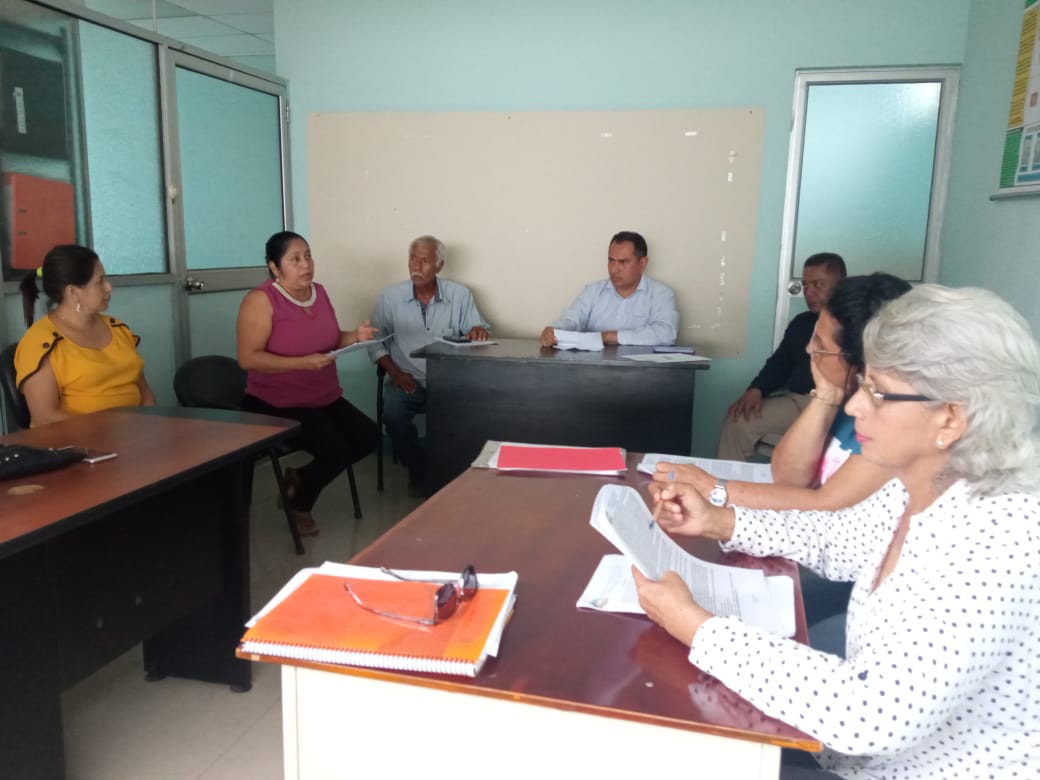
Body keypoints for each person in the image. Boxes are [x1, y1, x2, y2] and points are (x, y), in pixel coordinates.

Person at [635, 285, 1040, 779]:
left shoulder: (1002, 538)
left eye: (879, 393)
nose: (855, 408)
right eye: (863, 384)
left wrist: (697, 627)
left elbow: (871, 712)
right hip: (848, 754)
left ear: (951, 418)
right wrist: (719, 520)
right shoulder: (918, 483)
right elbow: (835, 540)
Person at [237, 231, 379, 536]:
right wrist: (303, 363)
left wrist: (355, 336)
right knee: (336, 450)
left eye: (308, 256)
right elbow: (248, 358)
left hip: (322, 396)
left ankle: (299, 478)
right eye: (295, 259)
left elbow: (331, 339)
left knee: (369, 437)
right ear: (274, 267)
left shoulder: (319, 292)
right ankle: (300, 504)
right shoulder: (260, 300)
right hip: (275, 402)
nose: (306, 264)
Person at [369, 235, 491, 493]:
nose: (416, 266)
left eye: (424, 261)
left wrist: (477, 331)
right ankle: (419, 468)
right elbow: (374, 342)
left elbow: (476, 329)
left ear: (439, 266)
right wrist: (396, 373)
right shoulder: (391, 297)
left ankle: (455, 470)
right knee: (393, 413)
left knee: (477, 410)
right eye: (412, 259)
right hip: (406, 378)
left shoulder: (459, 295)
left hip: (449, 381)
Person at [716, 253, 846, 461]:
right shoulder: (801, 323)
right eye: (805, 285)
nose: (809, 292)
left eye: (819, 284)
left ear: (841, 285)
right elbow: (780, 363)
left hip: (838, 407)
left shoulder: (855, 323)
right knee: (739, 419)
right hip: (798, 400)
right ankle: (727, 480)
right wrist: (757, 389)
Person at [15, 244, 156, 427]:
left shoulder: (117, 329)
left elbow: (146, 394)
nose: (109, 287)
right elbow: (44, 416)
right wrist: (108, 432)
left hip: (134, 433)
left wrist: (148, 428)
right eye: (99, 281)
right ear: (73, 292)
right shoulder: (41, 342)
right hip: (78, 440)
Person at [539, 231, 678, 347]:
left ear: (642, 263)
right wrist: (554, 330)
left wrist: (608, 336)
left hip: (641, 370)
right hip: (593, 368)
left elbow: (666, 334)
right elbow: (572, 319)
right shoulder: (592, 291)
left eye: (623, 262)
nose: (614, 269)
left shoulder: (661, 293)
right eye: (611, 261)